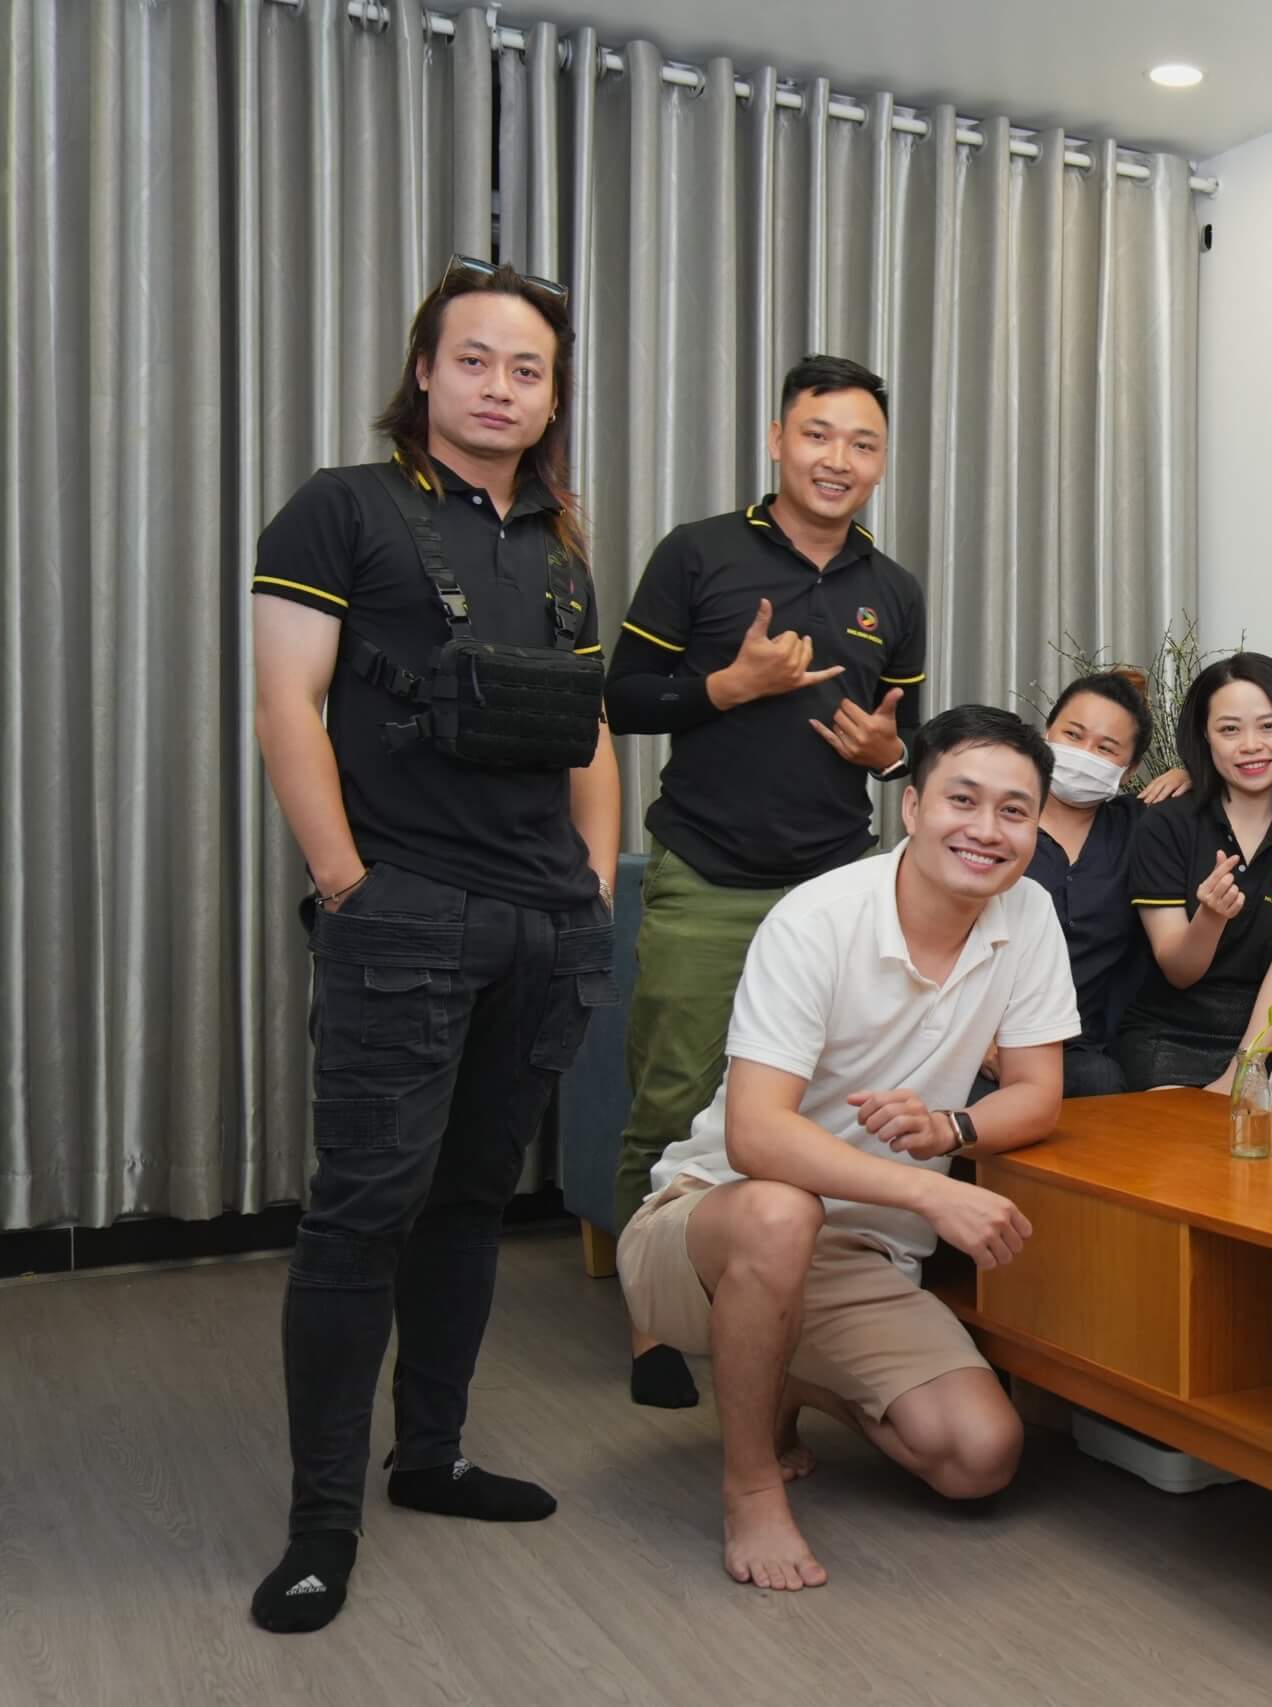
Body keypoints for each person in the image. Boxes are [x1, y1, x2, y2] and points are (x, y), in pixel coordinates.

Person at [246, 257, 620, 1634]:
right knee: (363, 1210)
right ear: (425, 370)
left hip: (541, 926)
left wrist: (589, 889)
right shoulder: (341, 507)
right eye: (474, 360)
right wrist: (347, 881)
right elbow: (288, 703)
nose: (500, 387)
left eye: (528, 369)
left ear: (553, 395)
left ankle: (433, 1456)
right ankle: (320, 1521)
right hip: (402, 912)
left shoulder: (562, 547)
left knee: (470, 1203)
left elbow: (587, 730)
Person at [615, 706, 1081, 1593]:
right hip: (706, 1225)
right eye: (963, 800)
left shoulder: (1029, 914)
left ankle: (786, 1371)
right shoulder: (819, 917)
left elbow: (1037, 1091)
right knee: (780, 1209)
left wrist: (951, 1130)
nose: (987, 830)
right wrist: (930, 1191)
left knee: (980, 1455)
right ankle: (751, 1483)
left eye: (1015, 810)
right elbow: (756, 1133)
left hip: (859, 1252)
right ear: (912, 805)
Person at [603, 354, 923, 1411]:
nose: (839, 459)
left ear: (881, 462)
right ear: (778, 440)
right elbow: (621, 697)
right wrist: (729, 686)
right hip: (707, 871)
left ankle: (797, 1289)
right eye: (818, 434)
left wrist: (889, 755)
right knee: (672, 1091)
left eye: (862, 443)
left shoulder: (893, 589)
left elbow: (906, 741)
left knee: (819, 1107)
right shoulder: (698, 553)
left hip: (835, 885)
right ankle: (652, 1318)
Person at [1117, 654, 1272, 1091]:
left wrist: (1246, 1068)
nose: (1251, 745)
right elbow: (1178, 970)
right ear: (1205, 736)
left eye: (1269, 726)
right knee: (1183, 1132)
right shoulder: (1165, 824)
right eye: (1230, 729)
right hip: (1172, 1032)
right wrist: (1211, 918)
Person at [1026, 670, 1155, 1097]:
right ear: (1047, 733)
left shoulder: (1140, 828)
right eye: (1073, 735)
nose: (1083, 754)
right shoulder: (1000, 821)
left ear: (1130, 769)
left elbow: (1225, 801)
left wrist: (1188, 776)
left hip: (1079, 1050)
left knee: (1103, 1087)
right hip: (981, 1037)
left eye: (1105, 748)